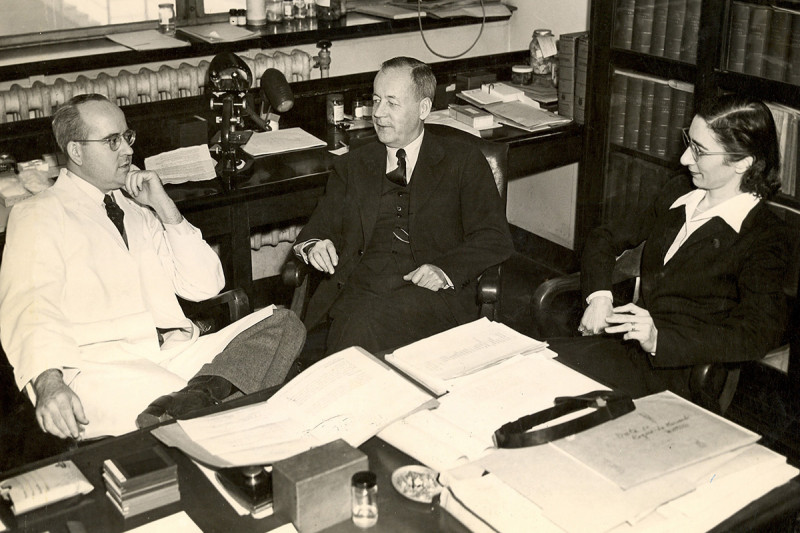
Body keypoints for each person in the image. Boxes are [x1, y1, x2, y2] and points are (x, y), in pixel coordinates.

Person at [0, 94, 306, 440]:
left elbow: (205, 285)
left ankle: (201, 402)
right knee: (193, 399)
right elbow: (30, 308)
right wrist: (48, 382)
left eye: (127, 137)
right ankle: (210, 408)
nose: (127, 150)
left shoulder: (137, 207)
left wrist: (165, 208)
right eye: (112, 141)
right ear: (76, 151)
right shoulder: (38, 215)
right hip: (105, 368)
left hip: (178, 351)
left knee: (283, 324)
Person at [550, 94, 791, 399]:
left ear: (742, 162)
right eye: (688, 142)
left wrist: (660, 340)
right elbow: (605, 237)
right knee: (530, 367)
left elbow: (758, 332)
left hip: (675, 376)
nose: (684, 159)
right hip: (624, 352)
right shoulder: (680, 191)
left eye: (699, 151)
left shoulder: (764, 234)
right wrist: (599, 297)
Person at [293, 56, 513, 359]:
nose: (379, 113)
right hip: (354, 292)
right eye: (376, 100)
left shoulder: (462, 161)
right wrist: (315, 245)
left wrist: (445, 270)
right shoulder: (354, 164)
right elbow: (318, 227)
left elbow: (494, 237)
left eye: (392, 103)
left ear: (423, 108)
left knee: (358, 329)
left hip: (427, 299)